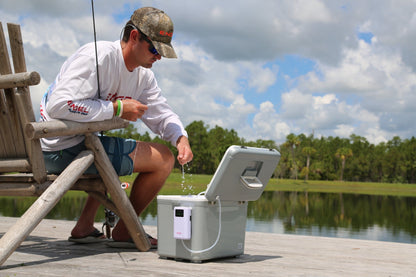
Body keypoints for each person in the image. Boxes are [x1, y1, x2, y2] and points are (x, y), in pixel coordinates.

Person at [40, 7, 193, 249]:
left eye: (163, 52)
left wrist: (180, 138)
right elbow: (59, 105)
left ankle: (84, 227)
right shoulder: (97, 57)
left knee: (106, 145)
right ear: (134, 37)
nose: (159, 57)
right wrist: (117, 108)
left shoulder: (144, 76)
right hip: (57, 148)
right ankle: (125, 231)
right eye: (155, 49)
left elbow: (161, 114)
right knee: (163, 159)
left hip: (84, 146)